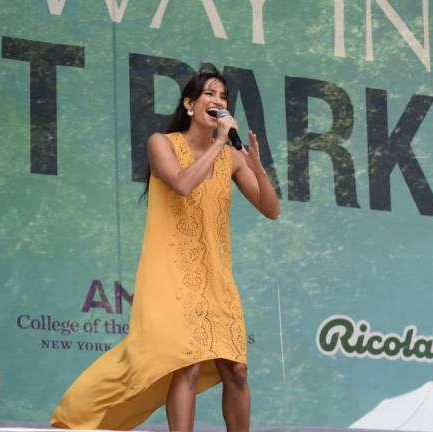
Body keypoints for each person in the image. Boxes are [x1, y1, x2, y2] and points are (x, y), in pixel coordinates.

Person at [51, 70, 280, 432]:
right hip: (173, 274)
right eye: (209, 93)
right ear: (190, 104)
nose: (218, 101)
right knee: (185, 364)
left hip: (217, 278)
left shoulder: (233, 159)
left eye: (223, 96)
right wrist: (220, 142)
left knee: (236, 370)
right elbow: (183, 184)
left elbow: (271, 210)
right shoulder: (162, 143)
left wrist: (259, 170)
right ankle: (80, 414)